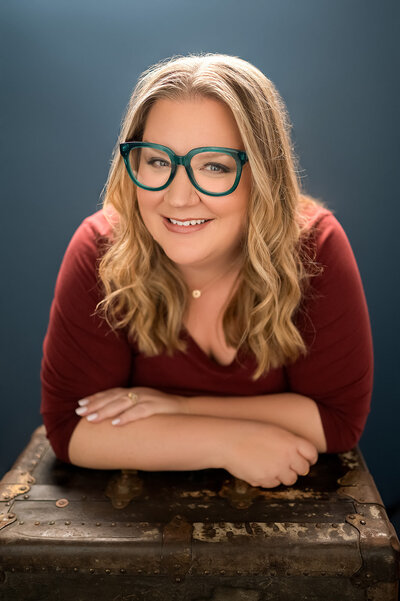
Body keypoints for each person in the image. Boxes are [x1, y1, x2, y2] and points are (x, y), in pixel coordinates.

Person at [40, 53, 373, 489]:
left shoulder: (315, 248)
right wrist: (226, 443)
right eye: (157, 160)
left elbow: (336, 422)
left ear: (262, 176)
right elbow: (72, 430)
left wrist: (179, 409)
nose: (178, 198)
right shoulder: (100, 249)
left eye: (214, 166)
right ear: (133, 164)